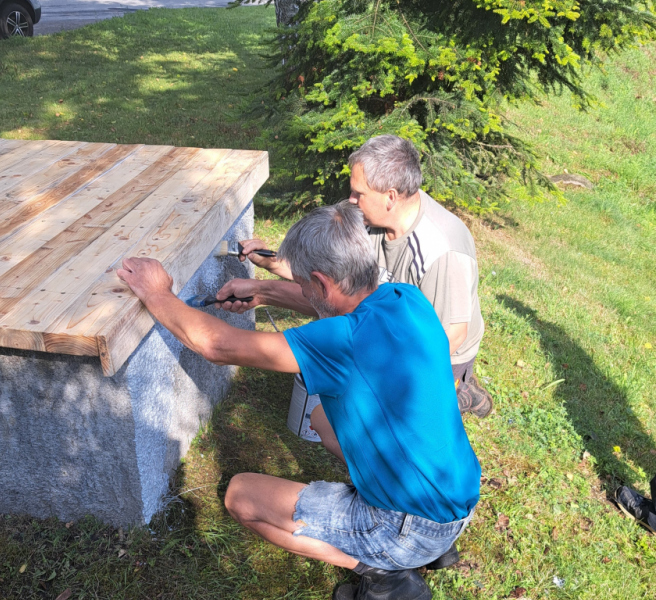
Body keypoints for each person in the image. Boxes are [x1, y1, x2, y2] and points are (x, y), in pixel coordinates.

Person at [118, 202, 481, 600]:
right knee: (324, 419)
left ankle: (381, 570)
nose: (304, 289)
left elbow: (218, 345)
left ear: (322, 283)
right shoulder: (404, 298)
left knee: (241, 495)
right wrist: (263, 292)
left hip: (407, 527)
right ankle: (416, 540)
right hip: (458, 493)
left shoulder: (341, 339)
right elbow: (333, 302)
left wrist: (157, 293)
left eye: (304, 282)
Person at [215, 135, 492, 418]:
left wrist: (385, 376)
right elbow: (328, 281)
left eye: (359, 194)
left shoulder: (442, 251)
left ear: (391, 197)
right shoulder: (371, 221)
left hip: (433, 352)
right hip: (387, 323)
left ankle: (460, 389)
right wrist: (269, 264)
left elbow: (451, 335)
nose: (351, 200)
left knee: (390, 421)